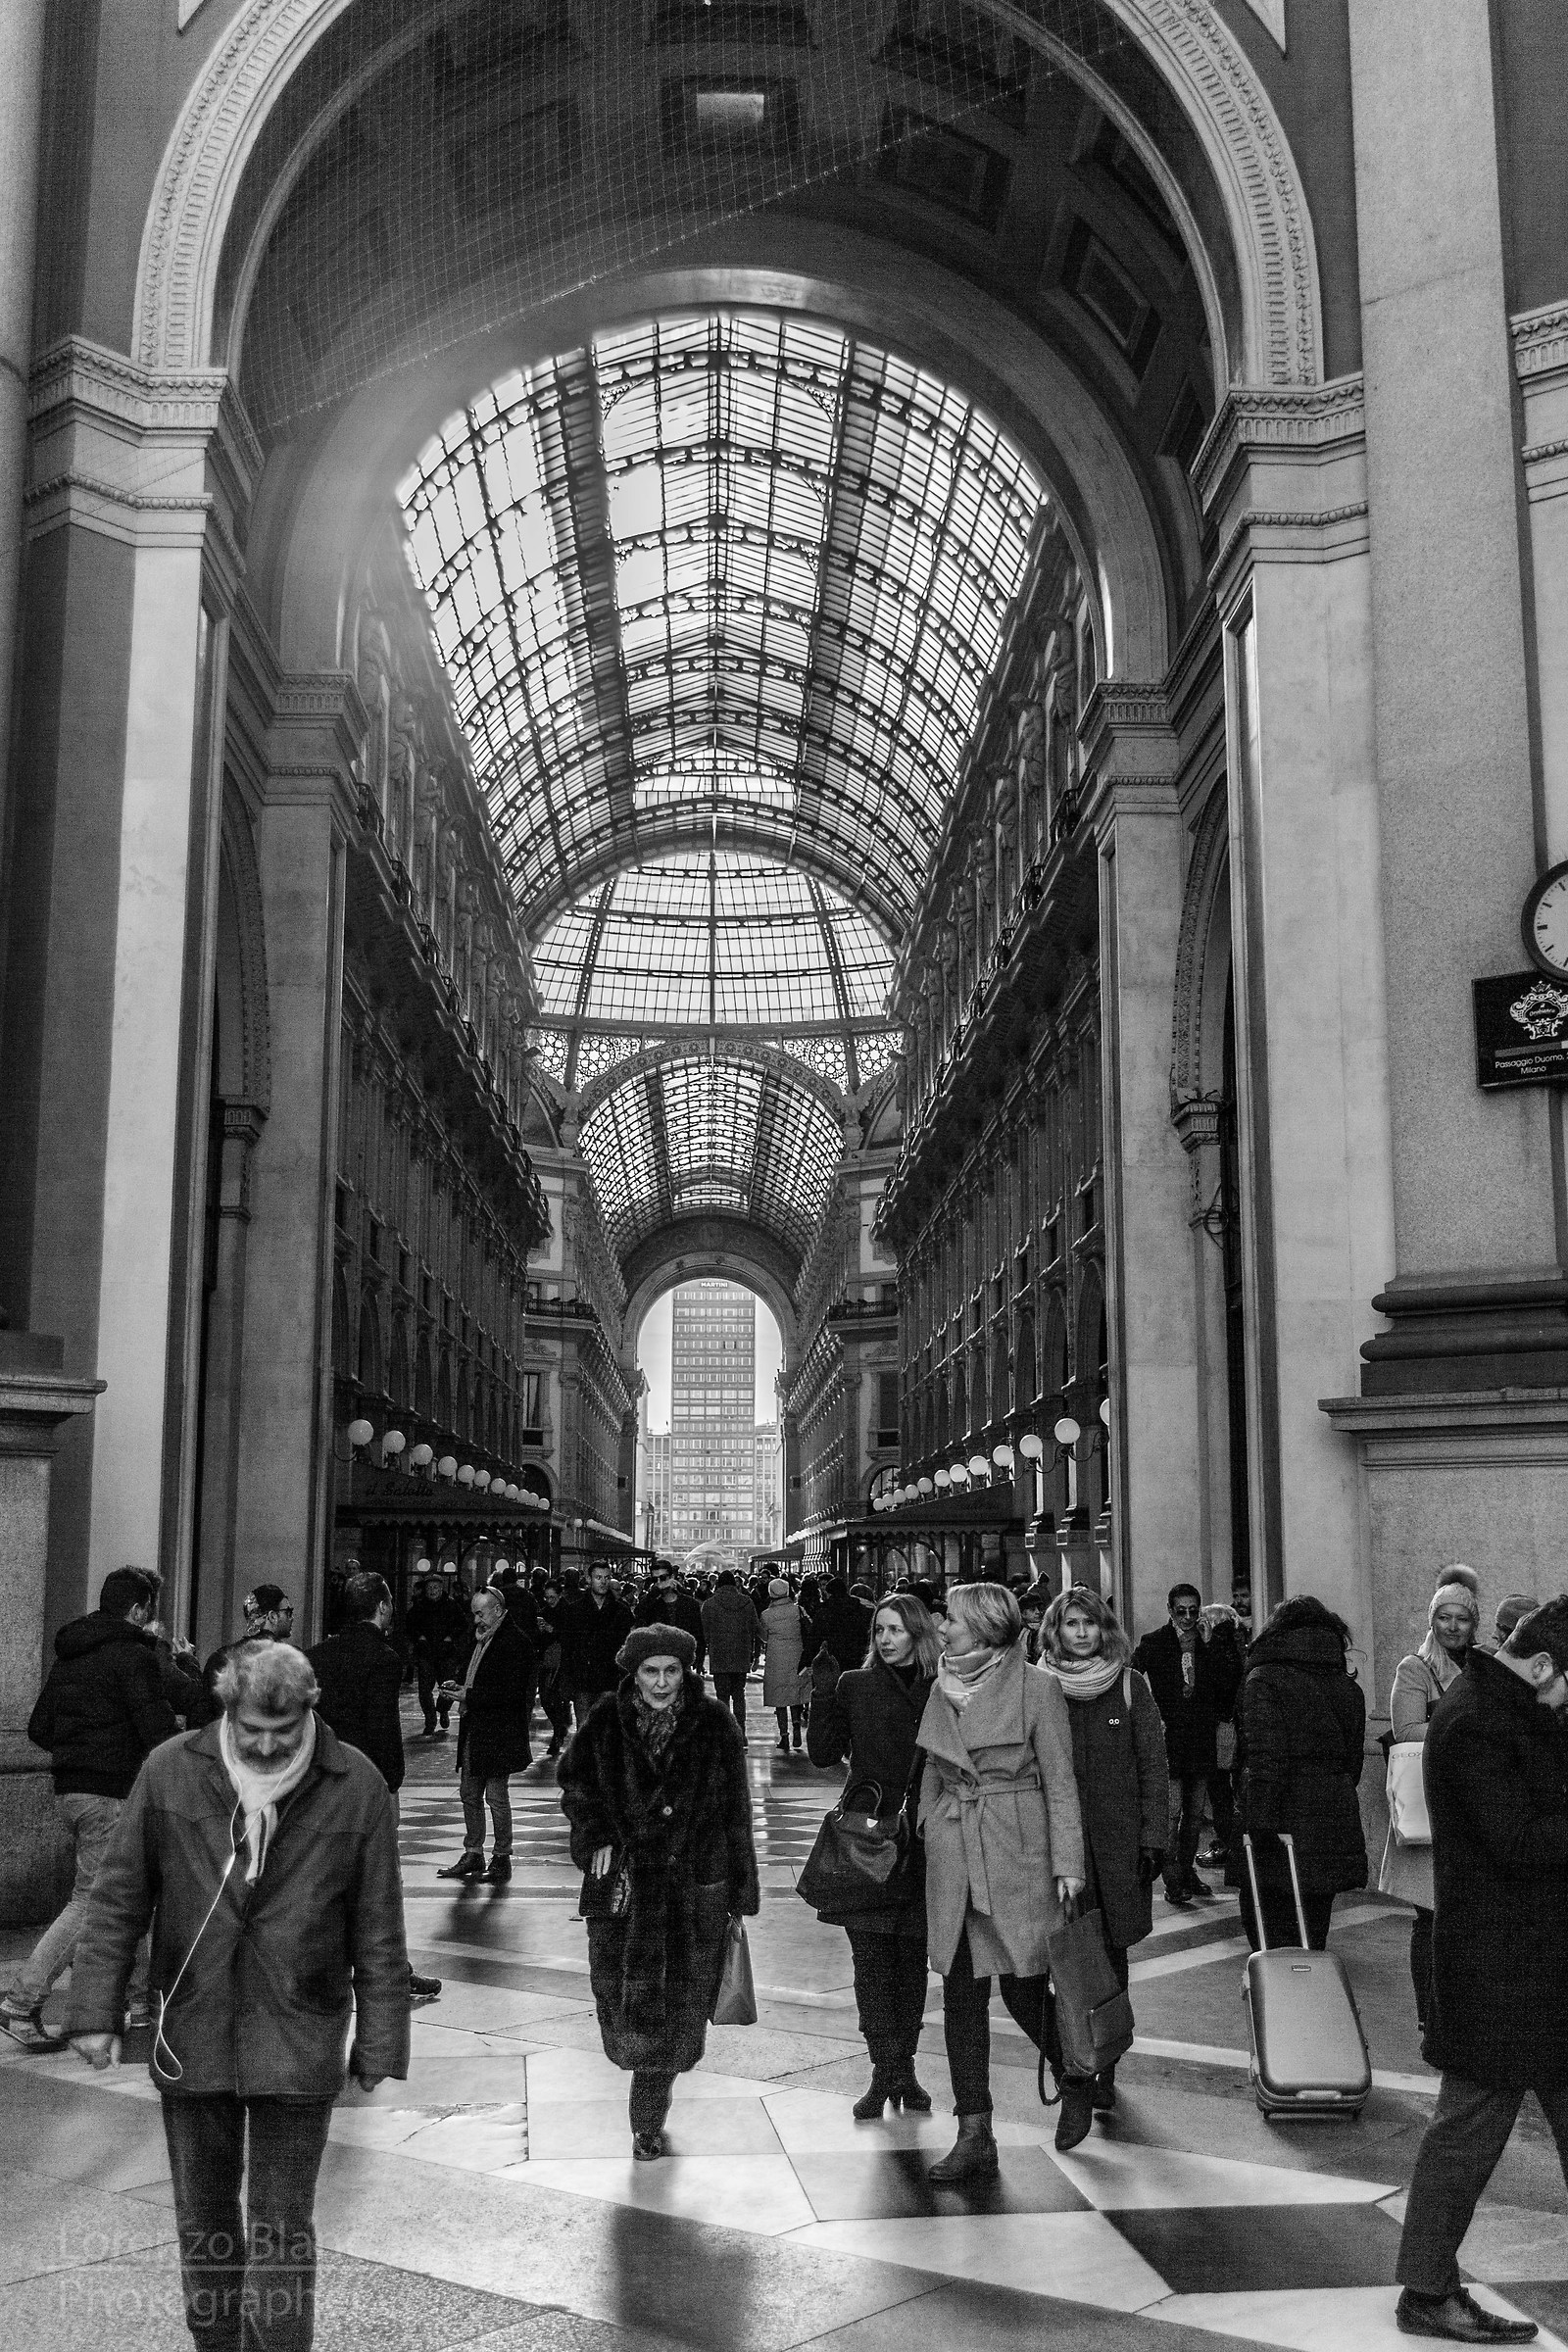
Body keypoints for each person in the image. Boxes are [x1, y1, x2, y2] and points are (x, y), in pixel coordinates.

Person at [64, 1639, 410, 2352]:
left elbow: (379, 1925)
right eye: (251, 1728)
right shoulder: (170, 1770)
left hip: (301, 2027)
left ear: (310, 1711)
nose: (265, 1744)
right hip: (193, 2024)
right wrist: (94, 2011)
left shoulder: (357, 1783)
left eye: (283, 1733)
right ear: (227, 1711)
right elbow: (118, 1899)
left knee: (283, 2226)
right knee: (205, 2219)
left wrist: (379, 2040)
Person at [1394, 1597, 1568, 2346]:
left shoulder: (1512, 1707)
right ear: (1539, 1665)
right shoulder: (1472, 1721)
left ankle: (1427, 2286)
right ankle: (1427, 2290)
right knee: (1466, 2131)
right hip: (1496, 1969)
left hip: (1539, 1963)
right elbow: (1518, 1841)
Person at [558, 1625, 760, 2159]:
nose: (662, 1682)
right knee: (629, 2001)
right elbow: (575, 1783)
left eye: (672, 1671)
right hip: (626, 1886)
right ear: (634, 1671)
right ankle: (647, 2108)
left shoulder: (715, 1722)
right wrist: (595, 1834)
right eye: (651, 1671)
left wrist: (741, 1885)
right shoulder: (606, 1718)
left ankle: (649, 2110)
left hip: (697, 1885)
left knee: (683, 2006)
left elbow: (738, 1807)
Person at [918, 1581, 1087, 2177]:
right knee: (962, 1994)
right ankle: (974, 2131)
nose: (943, 1629)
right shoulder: (940, 1685)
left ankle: (1074, 2072)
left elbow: (1062, 1781)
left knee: (1021, 1988)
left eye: (953, 1621)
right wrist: (929, 1826)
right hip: (957, 1854)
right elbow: (935, 1769)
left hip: (1018, 1851)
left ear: (986, 1629)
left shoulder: (1038, 1689)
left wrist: (1069, 1864)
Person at [1, 1566, 177, 2052]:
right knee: (94, 1900)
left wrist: (79, 1747)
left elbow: (39, 1727)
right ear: (140, 1610)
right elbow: (158, 1732)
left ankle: (138, 2004)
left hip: (71, 1790)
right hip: (111, 1794)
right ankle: (21, 2002)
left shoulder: (71, 1655)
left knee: (128, 1895)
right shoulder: (133, 1657)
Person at [806, 1592, 940, 2116]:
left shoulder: (941, 1687)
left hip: (926, 1838)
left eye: (896, 1630)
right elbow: (821, 1754)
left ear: (918, 1635)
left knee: (912, 1961)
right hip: (868, 1837)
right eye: (879, 1630)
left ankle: (900, 2066)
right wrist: (821, 1693)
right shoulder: (855, 1685)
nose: (885, 1639)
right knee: (870, 1962)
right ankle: (884, 2070)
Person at [1039, 1586, 1168, 2117]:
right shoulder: (1039, 1685)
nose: (1083, 1632)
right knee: (1060, 1959)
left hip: (1117, 1850)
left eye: (1091, 1623)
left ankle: (1104, 2067)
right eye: (1072, 1623)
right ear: (1057, 1630)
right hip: (1055, 1848)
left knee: (1110, 1961)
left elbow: (1153, 1767)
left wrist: (1155, 1838)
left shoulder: (1132, 1685)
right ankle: (1074, 2060)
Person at [309, 1570, 442, 2007]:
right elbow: (383, 1729)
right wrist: (391, 1779)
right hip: (369, 1783)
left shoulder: (316, 1657)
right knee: (380, 1881)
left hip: (322, 1779)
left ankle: (324, 1966)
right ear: (383, 1608)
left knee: (326, 1875)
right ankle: (390, 1971)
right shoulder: (383, 1659)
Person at [1232, 1593, 1367, 1952]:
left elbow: (1265, 1759)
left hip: (1278, 1828)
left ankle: (1280, 2010)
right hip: (1332, 1824)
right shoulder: (1347, 1686)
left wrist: (1256, 1828)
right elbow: (1353, 1764)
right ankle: (1309, 2007)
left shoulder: (1264, 1679)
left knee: (1270, 1945)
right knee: (1312, 1939)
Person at [1380, 1568, 1482, 2031]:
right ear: (1432, 1620)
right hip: (1432, 1806)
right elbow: (1406, 1731)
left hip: (1472, 1807)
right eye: (1445, 1617)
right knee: (1430, 1916)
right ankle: (1431, 2014)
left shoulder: (1482, 1664)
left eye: (1462, 1618)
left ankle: (1459, 2008)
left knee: (1464, 1917)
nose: (1453, 1626)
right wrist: (1465, 1730)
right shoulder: (1415, 1668)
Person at [1132, 1582, 1241, 1908]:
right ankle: (1173, 1878)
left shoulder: (1209, 1646)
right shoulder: (1155, 1642)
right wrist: (1148, 1716)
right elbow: (1130, 1675)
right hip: (1170, 1739)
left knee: (1194, 1816)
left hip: (1203, 1739)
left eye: (1194, 1610)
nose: (1189, 1617)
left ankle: (1187, 1870)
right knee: (1172, 1813)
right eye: (1182, 1611)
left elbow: (1228, 1686)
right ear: (1170, 1610)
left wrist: (1216, 1646)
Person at [435, 1587, 534, 1886]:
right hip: (475, 1727)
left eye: (480, 1612)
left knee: (496, 1796)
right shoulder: (477, 1637)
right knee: (469, 1793)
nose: (475, 1618)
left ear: (497, 1610)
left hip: (499, 1730)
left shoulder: (515, 1642)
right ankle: (473, 1852)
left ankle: (502, 1857)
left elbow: (511, 1692)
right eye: (474, 1612)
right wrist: (459, 1683)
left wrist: (468, 1694)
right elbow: (471, 1672)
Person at [559, 1563, 634, 1730]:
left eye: (607, 1578)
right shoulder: (575, 1610)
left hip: (611, 1679)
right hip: (584, 1680)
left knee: (609, 1732)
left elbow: (627, 1647)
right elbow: (568, 1647)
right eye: (598, 1577)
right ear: (589, 1579)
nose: (603, 1582)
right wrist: (566, 1680)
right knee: (585, 1732)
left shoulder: (620, 1610)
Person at [404, 1573, 466, 1738]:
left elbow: (462, 1625)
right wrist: (419, 1637)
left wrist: (450, 1637)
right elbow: (409, 1625)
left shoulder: (451, 1606)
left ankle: (443, 1709)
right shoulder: (419, 1607)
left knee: (447, 1688)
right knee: (424, 1690)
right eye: (430, 1588)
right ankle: (430, 1719)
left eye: (436, 1588)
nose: (433, 1591)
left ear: (441, 1589)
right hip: (426, 1653)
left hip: (446, 1653)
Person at [701, 1569, 760, 1728]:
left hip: (719, 1654)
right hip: (741, 1653)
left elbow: (704, 1633)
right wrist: (755, 1654)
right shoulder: (747, 1602)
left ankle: (725, 1730)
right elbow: (755, 1629)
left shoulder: (709, 1604)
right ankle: (741, 1729)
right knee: (739, 1694)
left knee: (722, 1696)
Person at [760, 1577, 808, 1750]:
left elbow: (764, 1637)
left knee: (779, 1697)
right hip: (797, 1654)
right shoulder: (799, 1610)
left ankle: (784, 1736)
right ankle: (796, 1726)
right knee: (795, 1693)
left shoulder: (766, 1614)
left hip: (776, 1657)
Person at [634, 1566, 707, 1676]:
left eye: (663, 1578)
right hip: (656, 1661)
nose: (659, 1582)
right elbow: (639, 1612)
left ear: (672, 1577)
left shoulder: (689, 1604)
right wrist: (655, 1592)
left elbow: (698, 1634)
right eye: (655, 1579)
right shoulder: (651, 1603)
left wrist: (699, 1660)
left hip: (682, 1661)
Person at [534, 1579, 571, 1757]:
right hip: (548, 1662)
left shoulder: (568, 1611)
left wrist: (552, 1630)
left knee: (555, 1697)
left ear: (560, 1595)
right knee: (547, 1698)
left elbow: (571, 1636)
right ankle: (559, 1725)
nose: (550, 1601)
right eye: (547, 1597)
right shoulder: (544, 1613)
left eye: (553, 1597)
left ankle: (558, 1732)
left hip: (563, 1662)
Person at [809, 1574, 872, 1673]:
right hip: (856, 1658)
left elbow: (815, 1638)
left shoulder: (824, 1612)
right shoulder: (861, 1610)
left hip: (832, 1660)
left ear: (829, 1593)